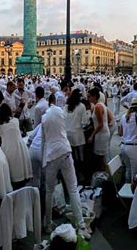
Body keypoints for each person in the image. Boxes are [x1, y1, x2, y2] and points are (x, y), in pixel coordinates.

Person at [41, 93, 85, 233]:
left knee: (49, 190)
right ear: (55, 101)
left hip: (52, 155)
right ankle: (81, 224)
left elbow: (44, 141)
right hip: (65, 151)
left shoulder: (44, 118)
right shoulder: (60, 111)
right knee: (72, 188)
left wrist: (44, 162)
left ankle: (48, 223)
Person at [0, 103, 32, 190]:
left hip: (8, 150)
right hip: (20, 149)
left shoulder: (0, 127)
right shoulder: (15, 121)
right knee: (22, 170)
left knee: (13, 175)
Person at [118, 97, 137, 183]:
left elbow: (120, 133)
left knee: (128, 170)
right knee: (135, 172)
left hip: (123, 145)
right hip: (133, 147)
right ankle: (133, 192)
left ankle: (126, 188)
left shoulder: (123, 116)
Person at [64, 89, 88, 184]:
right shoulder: (82, 106)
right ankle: (81, 176)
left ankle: (72, 176)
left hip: (67, 134)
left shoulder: (66, 107)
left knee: (71, 157)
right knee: (80, 157)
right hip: (78, 135)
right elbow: (84, 122)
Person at [87, 87, 110, 171]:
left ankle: (103, 174)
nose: (88, 98)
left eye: (89, 96)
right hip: (102, 132)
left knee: (101, 158)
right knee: (102, 157)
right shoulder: (101, 104)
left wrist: (92, 135)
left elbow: (100, 124)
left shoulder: (98, 107)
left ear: (94, 97)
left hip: (101, 134)